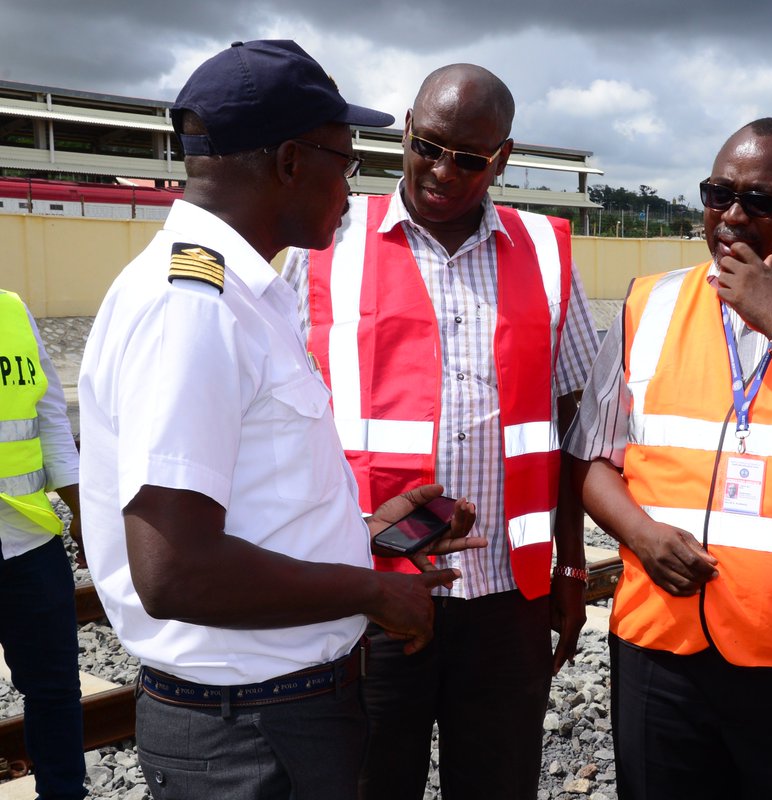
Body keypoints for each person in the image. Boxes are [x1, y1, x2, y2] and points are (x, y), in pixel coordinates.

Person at [78, 40, 482, 800]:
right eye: (346, 160)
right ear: (292, 162)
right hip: (249, 734)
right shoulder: (192, 308)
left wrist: (357, 537)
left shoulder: (240, 295)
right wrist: (370, 592)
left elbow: (240, 508)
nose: (352, 188)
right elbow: (175, 572)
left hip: (268, 716)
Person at [281, 63, 600, 799]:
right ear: (406, 129)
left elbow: (575, 418)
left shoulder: (546, 252)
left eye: (469, 158)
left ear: (504, 158)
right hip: (374, 586)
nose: (442, 171)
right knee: (369, 781)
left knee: (497, 782)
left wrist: (572, 566)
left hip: (505, 598)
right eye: (428, 146)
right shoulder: (326, 240)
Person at [564, 118, 772, 799]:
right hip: (660, 643)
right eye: (718, 193)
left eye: (761, 201)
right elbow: (592, 459)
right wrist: (641, 533)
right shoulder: (648, 304)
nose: (733, 215)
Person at [0, 290, 85, 800]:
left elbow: (51, 419)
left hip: (27, 538)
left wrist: (80, 514)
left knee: (54, 689)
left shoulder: (11, 310)